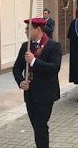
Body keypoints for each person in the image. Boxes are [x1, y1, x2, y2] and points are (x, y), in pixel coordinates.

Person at [13, 18, 62, 148]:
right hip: (30, 94)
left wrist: (34, 61)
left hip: (46, 94)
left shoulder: (53, 46)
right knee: (36, 126)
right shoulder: (26, 46)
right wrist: (21, 81)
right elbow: (17, 68)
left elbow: (54, 68)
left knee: (40, 125)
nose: (25, 31)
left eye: (28, 28)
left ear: (38, 29)